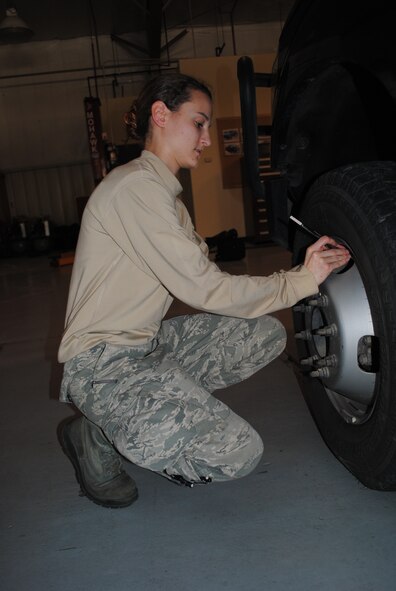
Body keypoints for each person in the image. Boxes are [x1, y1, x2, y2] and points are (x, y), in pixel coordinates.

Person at [57, 73, 350, 508]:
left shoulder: (163, 196)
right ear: (161, 114)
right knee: (238, 453)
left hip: (146, 346)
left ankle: (140, 408)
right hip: (103, 364)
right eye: (199, 123)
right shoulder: (136, 189)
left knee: (264, 334)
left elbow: (206, 279)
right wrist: (301, 280)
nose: (207, 139)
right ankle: (102, 432)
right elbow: (206, 289)